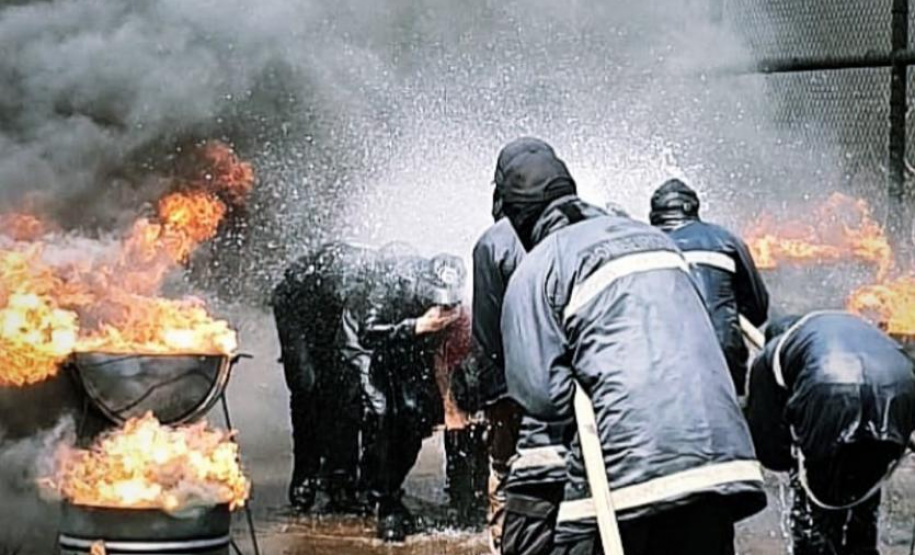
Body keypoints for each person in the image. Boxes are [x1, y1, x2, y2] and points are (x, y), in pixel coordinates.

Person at [498, 146, 767, 555]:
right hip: (721, 462)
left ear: (517, 216)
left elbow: (542, 395)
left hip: (627, 477)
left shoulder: (538, 268)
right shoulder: (656, 241)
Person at [746, 311, 915, 555]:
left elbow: (765, 436)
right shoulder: (849, 329)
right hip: (899, 384)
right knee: (868, 480)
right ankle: (862, 547)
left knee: (816, 513)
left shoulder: (773, 353)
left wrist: (793, 460)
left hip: (830, 390)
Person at [338, 251, 466, 542]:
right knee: (383, 411)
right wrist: (417, 326)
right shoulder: (392, 283)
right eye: (436, 297)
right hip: (366, 344)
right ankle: (385, 501)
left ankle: (386, 484)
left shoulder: (452, 306)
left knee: (416, 414)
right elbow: (369, 332)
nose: (441, 303)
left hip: (404, 345)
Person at [469, 136, 555, 553]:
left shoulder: (492, 243)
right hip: (567, 389)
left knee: (506, 475)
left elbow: (487, 336)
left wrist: (493, 400)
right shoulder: (574, 230)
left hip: (511, 390)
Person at [271, 242, 374, 513]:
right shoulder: (303, 283)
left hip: (332, 315)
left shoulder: (371, 283)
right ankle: (305, 473)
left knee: (346, 388)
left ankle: (341, 478)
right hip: (295, 312)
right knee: (306, 387)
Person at [649, 178, 769, 396]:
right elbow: (758, 308)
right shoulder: (726, 239)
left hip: (666, 363)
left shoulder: (645, 245)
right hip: (724, 358)